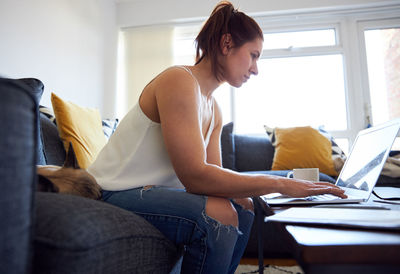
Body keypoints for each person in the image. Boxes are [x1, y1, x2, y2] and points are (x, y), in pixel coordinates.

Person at [88, 1, 346, 273]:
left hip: (151, 193)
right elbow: (194, 176)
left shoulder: (213, 108)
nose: (256, 68)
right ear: (226, 44)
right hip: (112, 191)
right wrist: (278, 184)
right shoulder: (179, 80)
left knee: (243, 205)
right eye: (253, 55)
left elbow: (213, 178)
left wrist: (275, 187)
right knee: (221, 215)